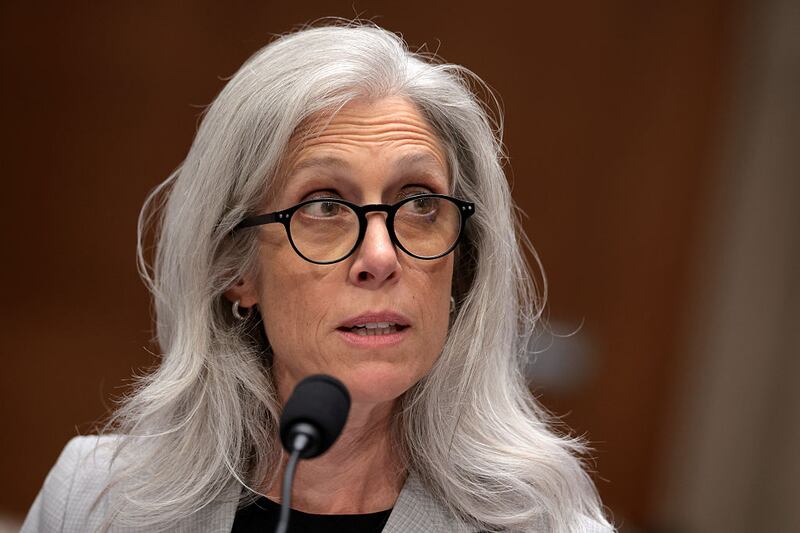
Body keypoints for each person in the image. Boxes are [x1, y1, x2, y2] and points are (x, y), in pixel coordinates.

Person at [22, 22, 614, 532]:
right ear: (238, 270)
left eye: (420, 204)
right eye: (325, 206)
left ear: (461, 267)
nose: (381, 256)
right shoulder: (94, 503)